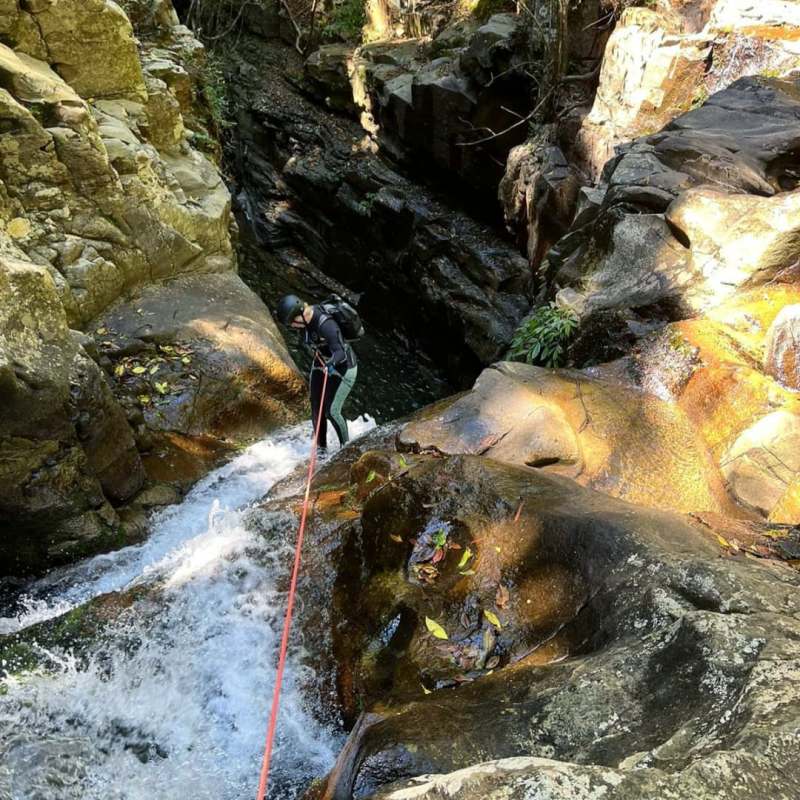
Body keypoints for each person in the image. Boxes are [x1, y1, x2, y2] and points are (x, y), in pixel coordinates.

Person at [276, 294, 358, 450]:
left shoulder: (326, 324)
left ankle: (346, 448)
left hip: (343, 367)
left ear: (300, 316)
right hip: (321, 361)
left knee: (331, 411)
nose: (292, 326)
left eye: (292, 323)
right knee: (315, 406)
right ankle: (321, 448)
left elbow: (340, 353)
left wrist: (330, 364)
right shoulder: (304, 323)